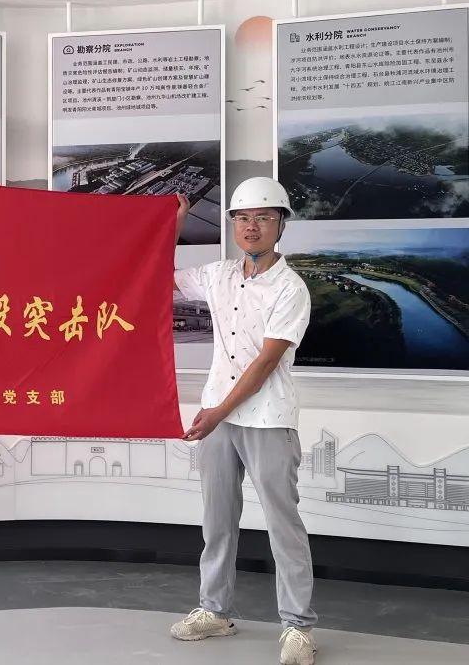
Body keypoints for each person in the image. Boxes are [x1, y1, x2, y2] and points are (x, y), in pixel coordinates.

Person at [168, 177, 318, 665]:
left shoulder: (290, 288)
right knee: (217, 520)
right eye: (243, 218)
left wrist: (217, 412)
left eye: (264, 218)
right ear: (233, 224)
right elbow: (159, 276)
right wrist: (174, 224)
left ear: (280, 225)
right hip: (218, 415)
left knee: (283, 524)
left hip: (267, 418)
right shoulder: (218, 275)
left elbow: (264, 363)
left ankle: (298, 626)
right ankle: (215, 610)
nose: (251, 227)